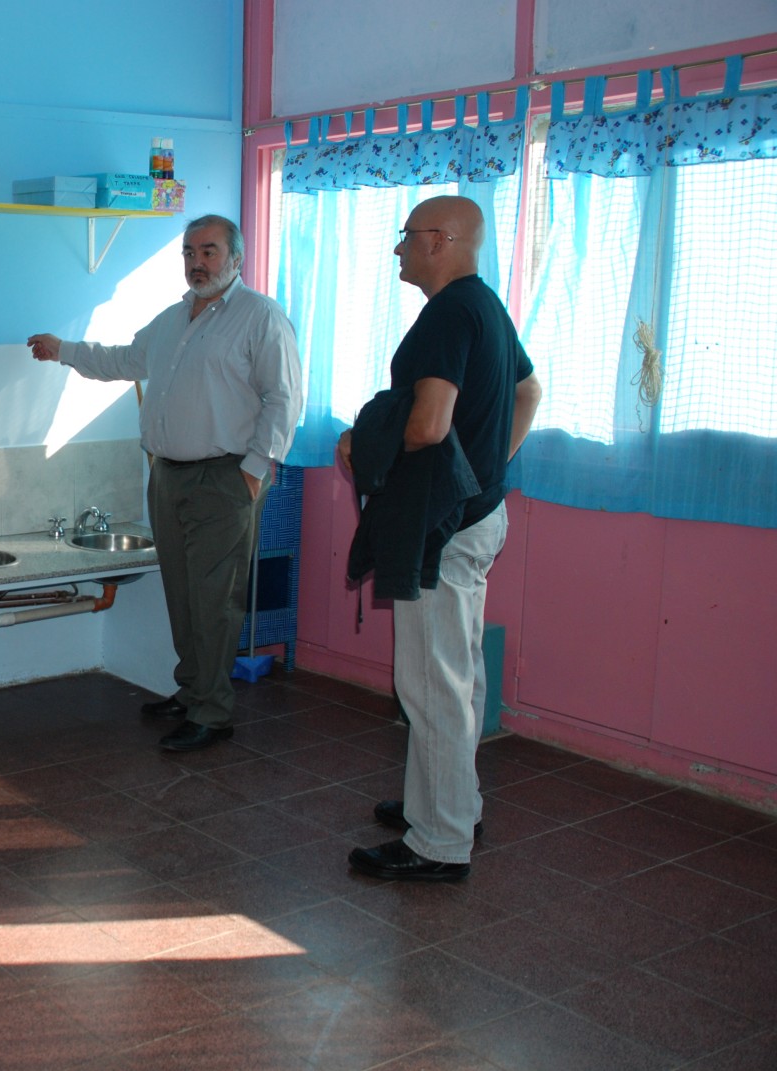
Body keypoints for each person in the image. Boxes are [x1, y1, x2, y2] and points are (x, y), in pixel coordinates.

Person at [27, 215, 304, 753]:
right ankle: (193, 690)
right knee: (182, 592)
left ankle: (212, 713)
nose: (197, 262)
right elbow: (125, 361)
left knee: (215, 599)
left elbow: (284, 399)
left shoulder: (260, 317)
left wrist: (254, 470)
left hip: (226, 477)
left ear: (236, 258)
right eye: (189, 252)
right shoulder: (174, 318)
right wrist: (64, 350)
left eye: (209, 251)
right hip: (168, 475)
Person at [338, 195, 541, 882]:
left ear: (439, 240)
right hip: (479, 516)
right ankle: (451, 803)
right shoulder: (485, 305)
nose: (398, 249)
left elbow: (428, 425)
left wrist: (361, 441)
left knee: (430, 683)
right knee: (458, 673)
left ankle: (439, 842)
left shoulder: (449, 313)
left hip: (444, 526)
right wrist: (485, 474)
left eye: (406, 236)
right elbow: (530, 392)